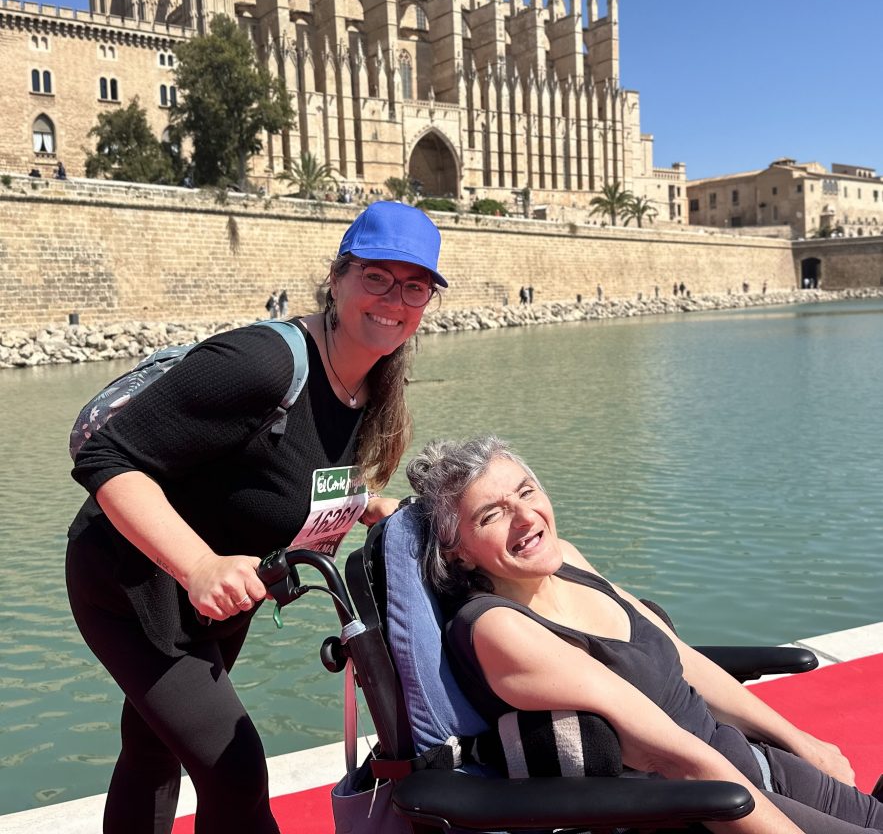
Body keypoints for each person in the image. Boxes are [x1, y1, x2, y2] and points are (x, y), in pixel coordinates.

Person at [66, 201, 447, 834]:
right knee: (235, 770)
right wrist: (198, 565)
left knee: (154, 747)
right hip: (133, 584)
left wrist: (367, 508)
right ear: (337, 279)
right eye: (376, 277)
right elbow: (107, 455)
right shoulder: (263, 362)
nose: (394, 300)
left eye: (415, 286)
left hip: (221, 596)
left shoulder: (371, 381)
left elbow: (280, 475)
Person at [407, 435, 883, 834]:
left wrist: (799, 741)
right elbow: (670, 758)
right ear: (457, 552)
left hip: (749, 762)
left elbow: (679, 656)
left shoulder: (564, 559)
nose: (526, 517)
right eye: (491, 515)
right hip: (705, 807)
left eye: (526, 492)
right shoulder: (500, 628)